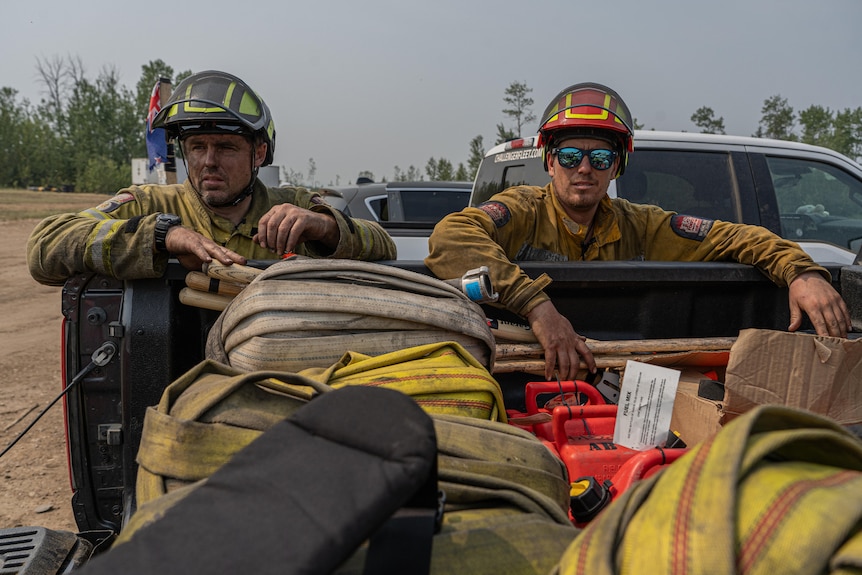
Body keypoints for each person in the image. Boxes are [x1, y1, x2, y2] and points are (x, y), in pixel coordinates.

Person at [425, 82, 851, 381]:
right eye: (570, 155)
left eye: (600, 156)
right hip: (524, 371)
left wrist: (801, 272)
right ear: (550, 162)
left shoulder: (640, 224)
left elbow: (734, 237)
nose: (584, 168)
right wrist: (539, 308)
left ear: (618, 165)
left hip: (622, 376)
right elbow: (452, 236)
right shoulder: (523, 209)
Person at [27, 70, 396, 286]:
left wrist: (324, 227)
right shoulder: (149, 205)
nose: (208, 161)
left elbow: (384, 247)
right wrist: (160, 236)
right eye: (197, 146)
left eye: (226, 147)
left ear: (260, 153)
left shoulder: (294, 205)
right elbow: (44, 246)